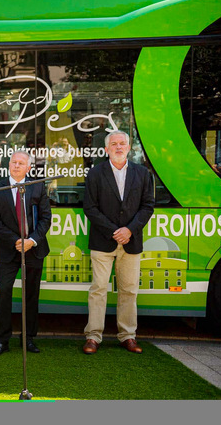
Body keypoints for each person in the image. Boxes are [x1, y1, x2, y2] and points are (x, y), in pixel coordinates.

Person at [82, 130, 154, 355]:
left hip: (131, 242)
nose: (119, 147)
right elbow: (90, 208)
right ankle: (93, 336)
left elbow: (148, 206)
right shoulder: (95, 173)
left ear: (129, 147)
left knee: (129, 291)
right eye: (114, 144)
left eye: (123, 143)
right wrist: (115, 231)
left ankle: (127, 336)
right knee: (98, 290)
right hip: (103, 241)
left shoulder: (143, 174)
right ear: (106, 149)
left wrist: (129, 230)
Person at [0, 151, 51, 356]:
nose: (16, 165)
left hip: (34, 249)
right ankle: (1, 340)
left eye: (21, 163)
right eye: (13, 162)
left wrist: (31, 241)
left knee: (31, 295)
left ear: (28, 168)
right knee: (3, 293)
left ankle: (28, 338)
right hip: (8, 250)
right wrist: (15, 241)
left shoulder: (37, 187)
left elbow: (45, 218)